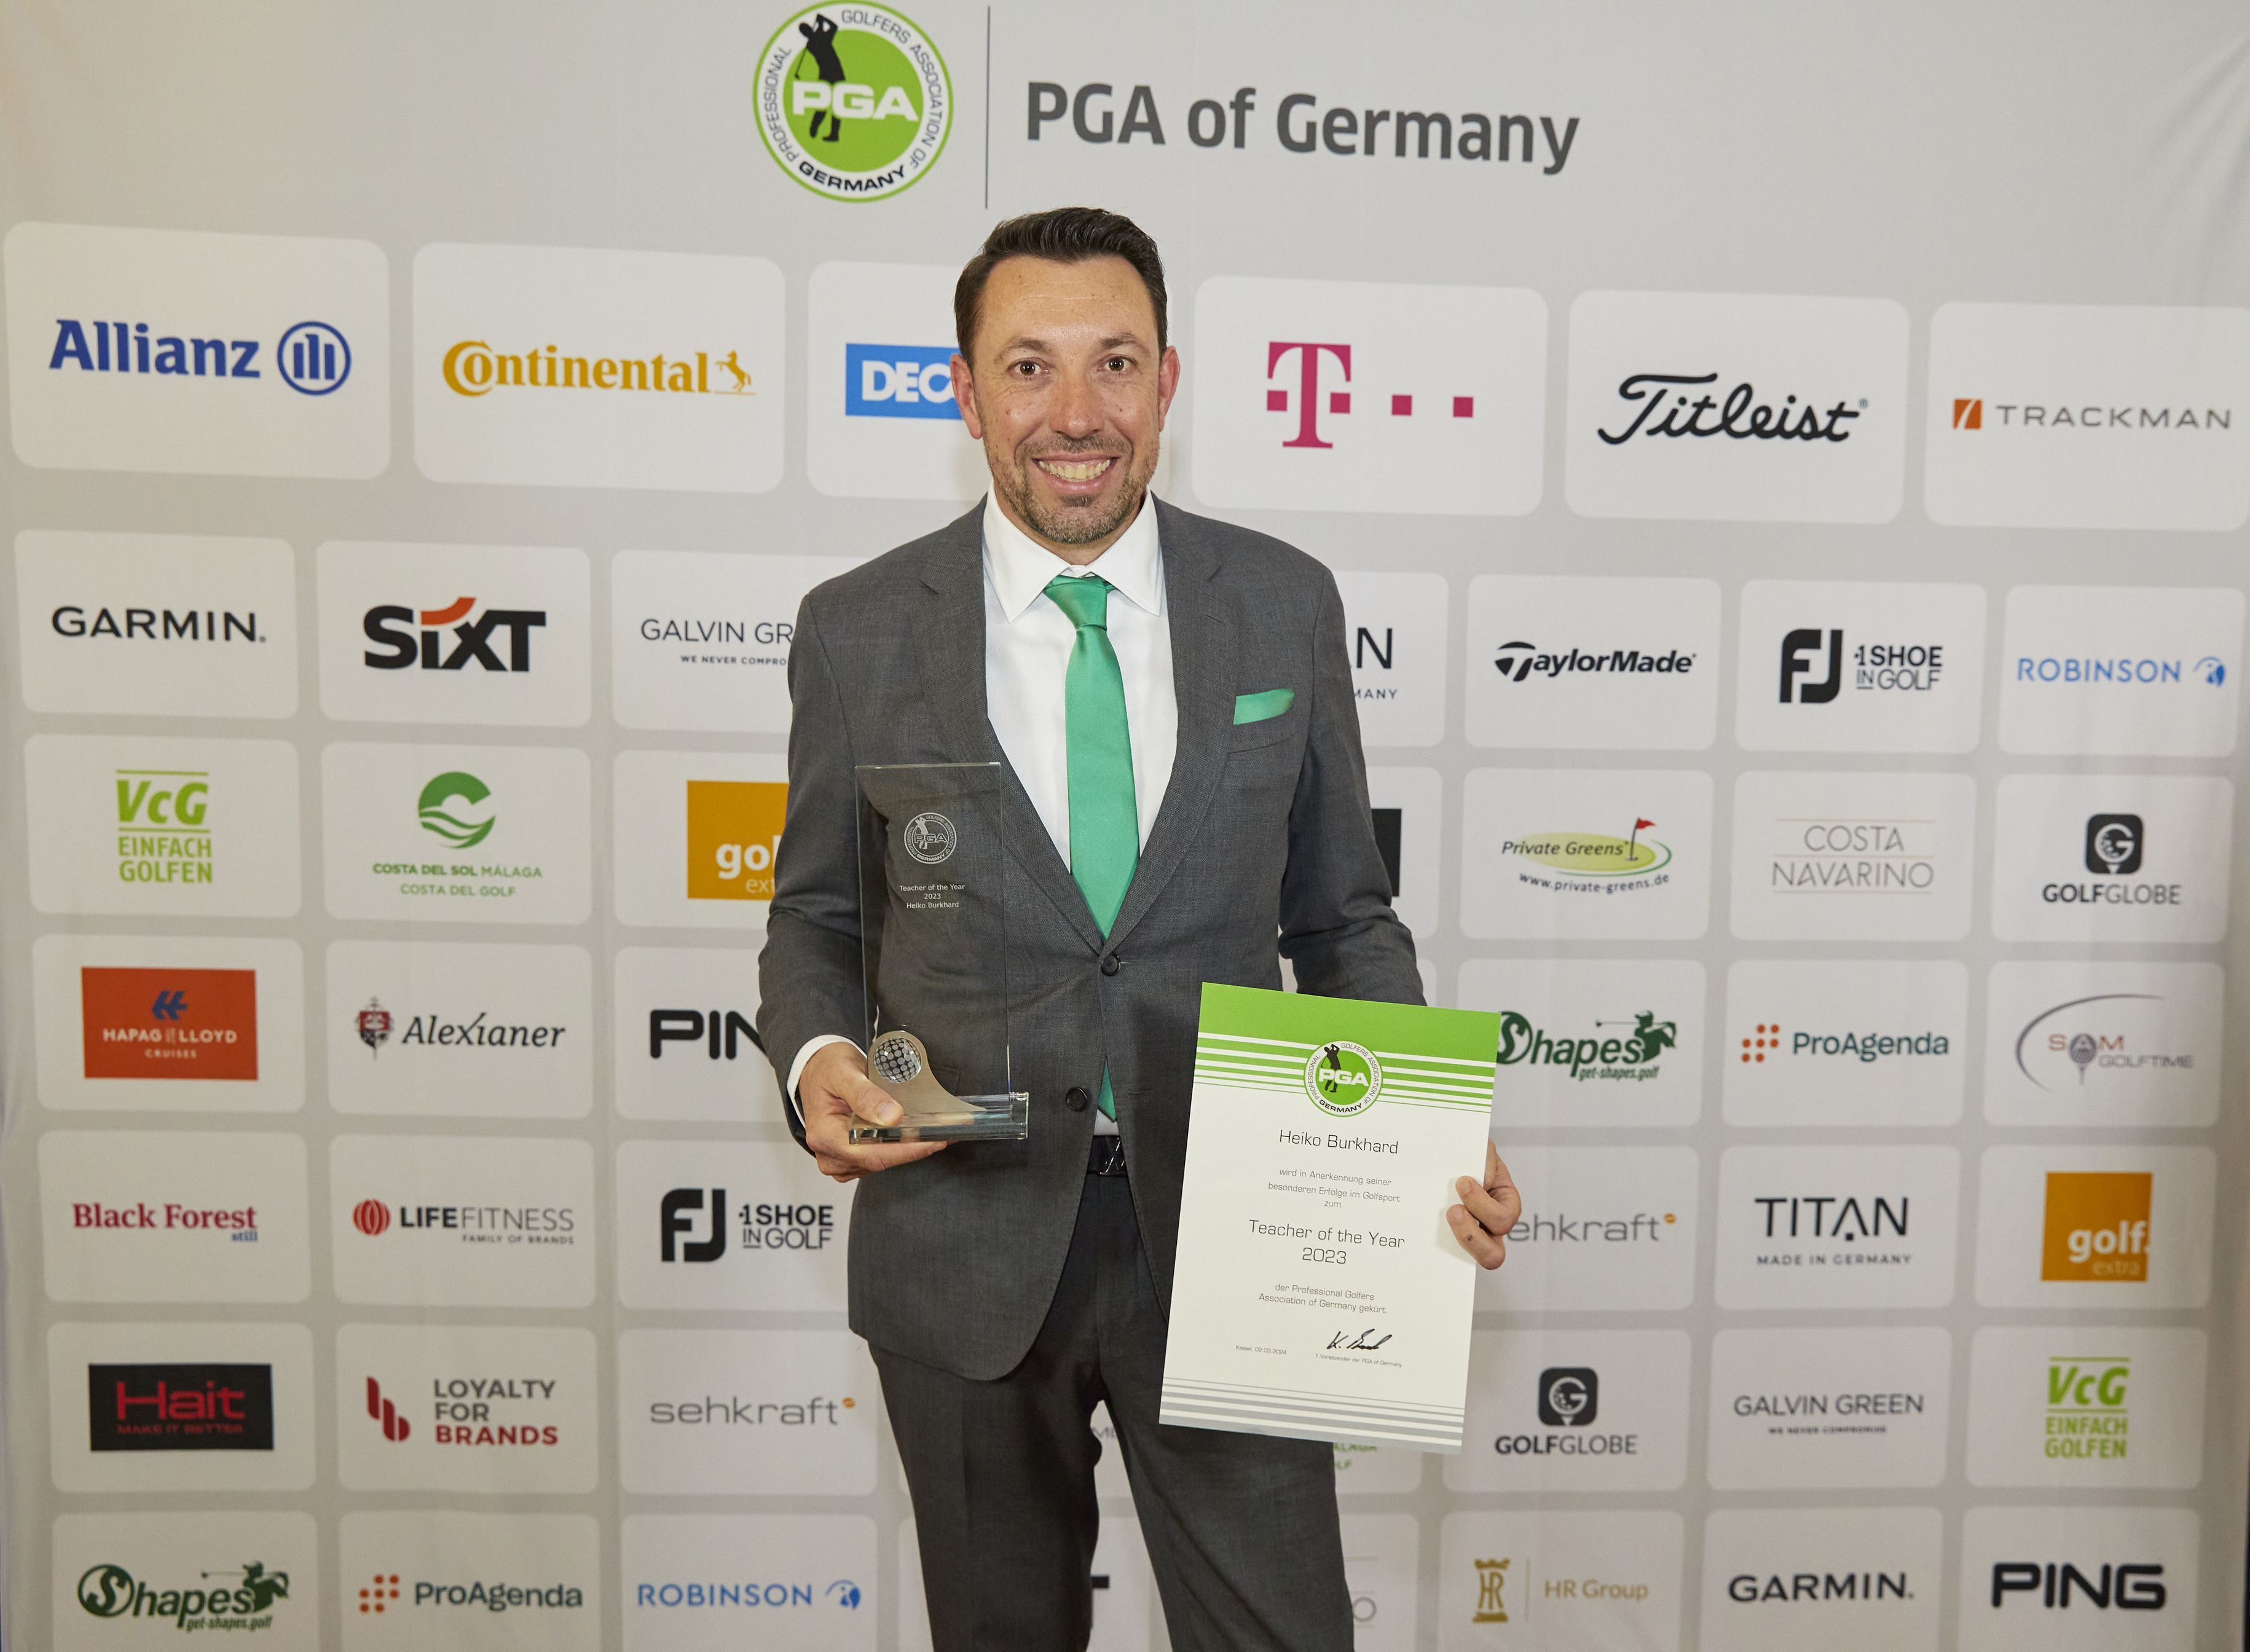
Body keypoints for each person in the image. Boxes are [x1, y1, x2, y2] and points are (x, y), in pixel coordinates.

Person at [757, 205, 1522, 1651]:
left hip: (1250, 1231)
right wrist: (816, 1061)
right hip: (963, 1234)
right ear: (964, 392)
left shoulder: (1281, 605)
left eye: (1113, 362)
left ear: (1167, 382)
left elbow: (1343, 916)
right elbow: (817, 914)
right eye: (1028, 367)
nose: (1076, 413)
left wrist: (1422, 1126)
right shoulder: (858, 627)